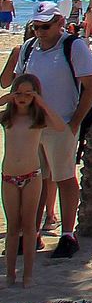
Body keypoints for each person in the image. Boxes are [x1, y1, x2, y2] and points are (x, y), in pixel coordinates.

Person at [0, 1, 92, 258]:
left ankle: (68, 234)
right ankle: (33, 234)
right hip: (33, 125)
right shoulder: (30, 48)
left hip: (61, 123)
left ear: (59, 23)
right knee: (36, 178)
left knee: (64, 177)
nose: (40, 31)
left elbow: (91, 86)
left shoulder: (73, 46)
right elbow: (15, 83)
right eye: (36, 27)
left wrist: (75, 121)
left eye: (45, 26)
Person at [1, 75, 65, 286]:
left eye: (28, 94)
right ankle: (10, 274)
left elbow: (59, 126)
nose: (22, 98)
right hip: (9, 177)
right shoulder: (7, 118)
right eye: (19, 93)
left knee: (29, 227)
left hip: (32, 177)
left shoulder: (38, 119)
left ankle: (27, 274)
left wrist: (41, 103)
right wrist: (5, 99)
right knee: (12, 228)